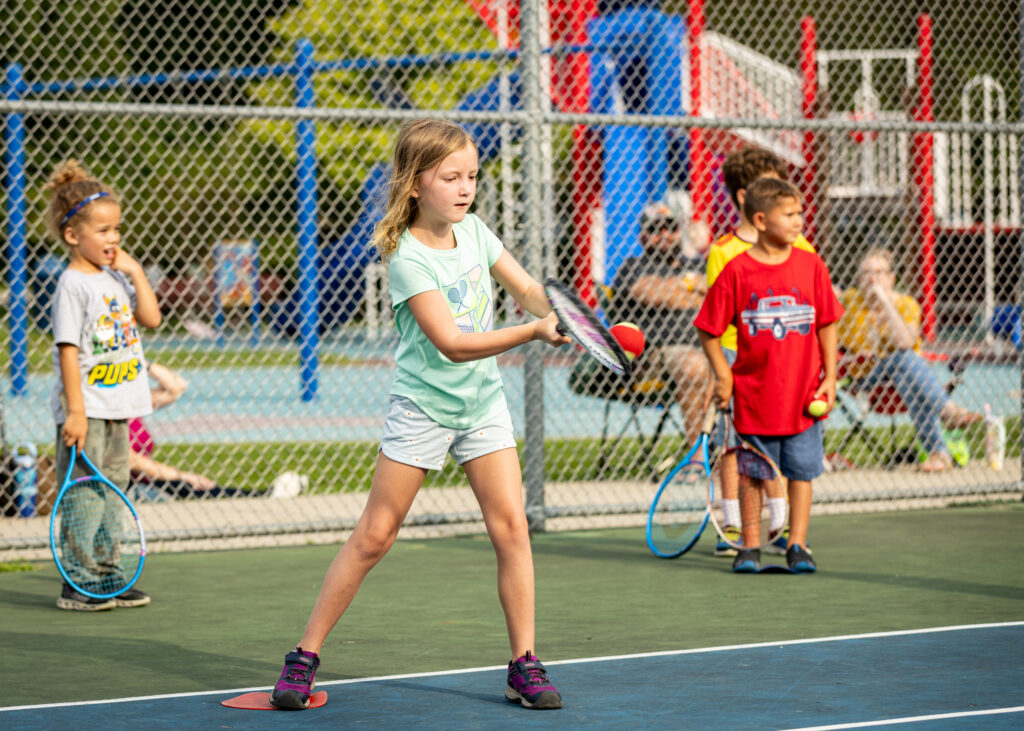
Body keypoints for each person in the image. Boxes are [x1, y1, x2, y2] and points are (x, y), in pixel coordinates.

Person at [268, 119, 571, 711]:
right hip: (424, 409)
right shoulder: (407, 258)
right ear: (414, 185)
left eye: (472, 177)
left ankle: (523, 665)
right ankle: (303, 657)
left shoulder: (477, 233)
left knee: (512, 528)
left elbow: (530, 290)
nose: (465, 189)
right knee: (375, 536)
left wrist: (560, 311)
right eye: (450, 177)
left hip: (481, 405)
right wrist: (534, 331)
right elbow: (453, 343)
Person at [696, 177, 844, 573]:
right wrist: (723, 375)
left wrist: (830, 376)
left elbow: (827, 322)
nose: (799, 221)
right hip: (753, 395)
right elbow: (708, 329)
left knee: (801, 471)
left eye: (800, 213)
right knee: (751, 474)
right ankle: (750, 546)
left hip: (803, 395)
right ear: (760, 220)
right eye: (790, 214)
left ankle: (796, 545)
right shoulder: (737, 271)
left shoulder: (811, 265)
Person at [46, 159, 161, 611]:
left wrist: (134, 273)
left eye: (117, 229)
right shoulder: (72, 284)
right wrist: (75, 411)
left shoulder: (115, 278)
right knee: (85, 493)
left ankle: (108, 573)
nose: (113, 238)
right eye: (103, 230)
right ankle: (79, 580)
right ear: (74, 236)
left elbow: (151, 318)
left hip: (118, 407)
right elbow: (67, 349)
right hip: (88, 409)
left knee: (116, 489)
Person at [705, 145, 819, 557]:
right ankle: (733, 525)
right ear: (747, 200)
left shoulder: (802, 247)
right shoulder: (725, 251)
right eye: (768, 188)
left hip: (788, 364)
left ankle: (781, 526)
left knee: (785, 450)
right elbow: (717, 318)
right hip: (740, 362)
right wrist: (725, 371)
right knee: (737, 449)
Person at [838, 248, 981, 472]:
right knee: (903, 361)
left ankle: (939, 455)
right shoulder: (849, 301)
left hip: (903, 376)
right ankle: (947, 410)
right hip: (864, 378)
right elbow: (824, 289)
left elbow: (905, 341)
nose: (872, 279)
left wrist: (885, 301)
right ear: (858, 279)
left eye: (879, 272)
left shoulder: (906, 304)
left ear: (892, 278)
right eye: (866, 273)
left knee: (903, 364)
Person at [127, 362, 308, 500]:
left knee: (200, 488)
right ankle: (265, 496)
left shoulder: (129, 403)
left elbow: (177, 387)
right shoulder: (107, 413)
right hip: (135, 483)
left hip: (149, 480)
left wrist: (140, 362)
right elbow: (133, 461)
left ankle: (264, 495)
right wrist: (183, 475)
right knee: (189, 486)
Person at [612, 199, 712, 446]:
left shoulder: (698, 263)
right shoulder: (633, 266)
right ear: (643, 236)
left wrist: (673, 287)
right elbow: (653, 294)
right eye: (656, 230)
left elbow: (718, 295)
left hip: (709, 345)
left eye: (671, 227)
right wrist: (694, 286)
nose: (665, 235)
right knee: (693, 365)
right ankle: (697, 454)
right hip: (656, 355)